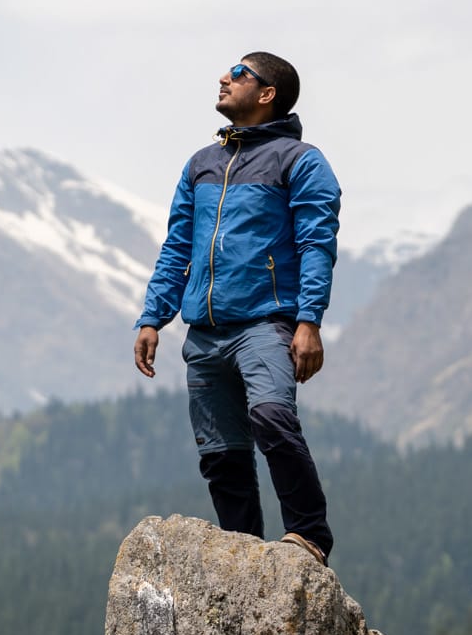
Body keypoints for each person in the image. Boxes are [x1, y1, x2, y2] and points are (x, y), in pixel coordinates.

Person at [132, 52, 339, 564]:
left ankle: (310, 536)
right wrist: (153, 316)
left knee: (272, 418)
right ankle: (243, 557)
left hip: (266, 324)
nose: (225, 77)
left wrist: (308, 320)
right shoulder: (201, 163)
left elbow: (317, 243)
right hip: (203, 333)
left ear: (267, 93)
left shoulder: (300, 161)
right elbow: (177, 246)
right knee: (221, 455)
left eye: (239, 73)